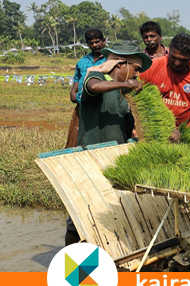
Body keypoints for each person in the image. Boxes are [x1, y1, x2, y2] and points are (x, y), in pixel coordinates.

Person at [66, 41, 152, 245]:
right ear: (121, 64)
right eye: (136, 69)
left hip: (114, 163)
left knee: (108, 215)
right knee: (81, 215)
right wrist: (125, 84)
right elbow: (92, 86)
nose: (137, 75)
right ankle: (71, 268)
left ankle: (105, 261)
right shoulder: (98, 77)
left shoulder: (125, 97)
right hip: (90, 160)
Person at [140, 33, 190, 141]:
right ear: (169, 48)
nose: (177, 63)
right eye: (173, 57)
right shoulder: (151, 68)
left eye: (183, 60)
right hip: (153, 129)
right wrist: (168, 126)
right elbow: (138, 99)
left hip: (186, 131)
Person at [66, 29, 107, 148]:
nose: (95, 45)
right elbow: (76, 84)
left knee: (100, 137)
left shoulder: (110, 60)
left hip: (102, 105)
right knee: (80, 137)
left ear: (104, 41)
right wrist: (74, 94)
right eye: (91, 43)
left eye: (97, 42)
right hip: (83, 105)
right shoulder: (82, 62)